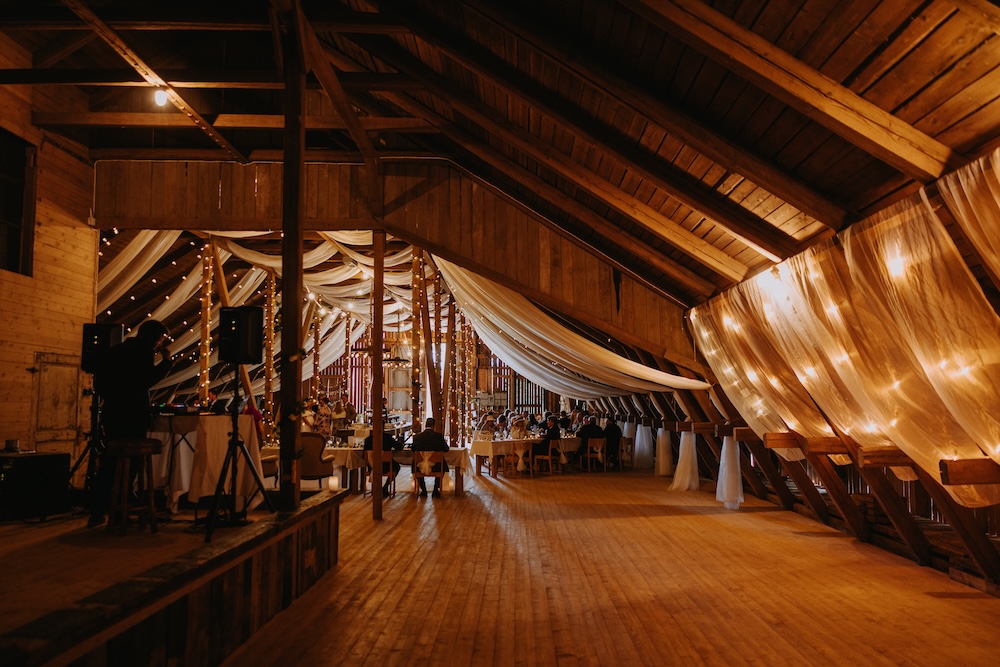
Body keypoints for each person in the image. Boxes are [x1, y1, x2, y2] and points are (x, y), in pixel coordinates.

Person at [89, 320, 174, 526]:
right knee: (132, 462)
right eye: (160, 339)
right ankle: (123, 507)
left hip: (112, 412)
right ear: (154, 338)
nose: (160, 343)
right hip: (132, 414)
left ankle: (98, 510)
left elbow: (100, 384)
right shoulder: (143, 351)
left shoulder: (116, 349)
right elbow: (147, 380)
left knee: (110, 462)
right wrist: (166, 362)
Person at [410, 417, 449, 498]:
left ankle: (423, 490)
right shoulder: (438, 436)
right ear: (434, 426)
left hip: (419, 466)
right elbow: (446, 449)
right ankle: (435, 489)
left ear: (425, 425)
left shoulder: (417, 437)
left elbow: (413, 449)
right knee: (442, 466)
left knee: (415, 464)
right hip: (436, 467)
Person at [364, 429, 403, 495]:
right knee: (397, 467)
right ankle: (385, 486)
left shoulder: (368, 440)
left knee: (371, 464)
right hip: (386, 466)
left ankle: (375, 489)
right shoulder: (388, 438)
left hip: (372, 467)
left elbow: (364, 455)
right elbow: (399, 447)